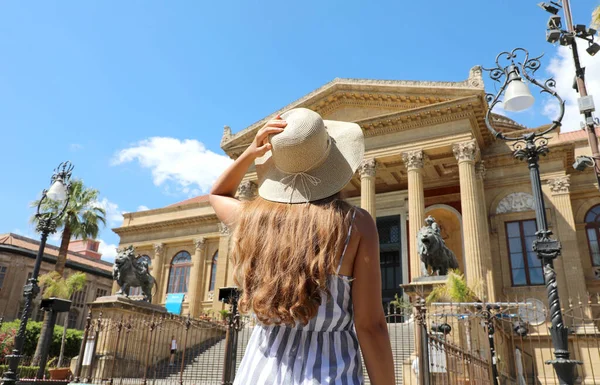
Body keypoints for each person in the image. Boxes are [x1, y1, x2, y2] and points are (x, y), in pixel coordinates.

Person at [209, 108, 395, 385]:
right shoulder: (356, 224)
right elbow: (370, 326)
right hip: (331, 372)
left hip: (260, 373)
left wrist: (249, 152)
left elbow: (217, 194)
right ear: (333, 161)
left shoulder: (254, 221)